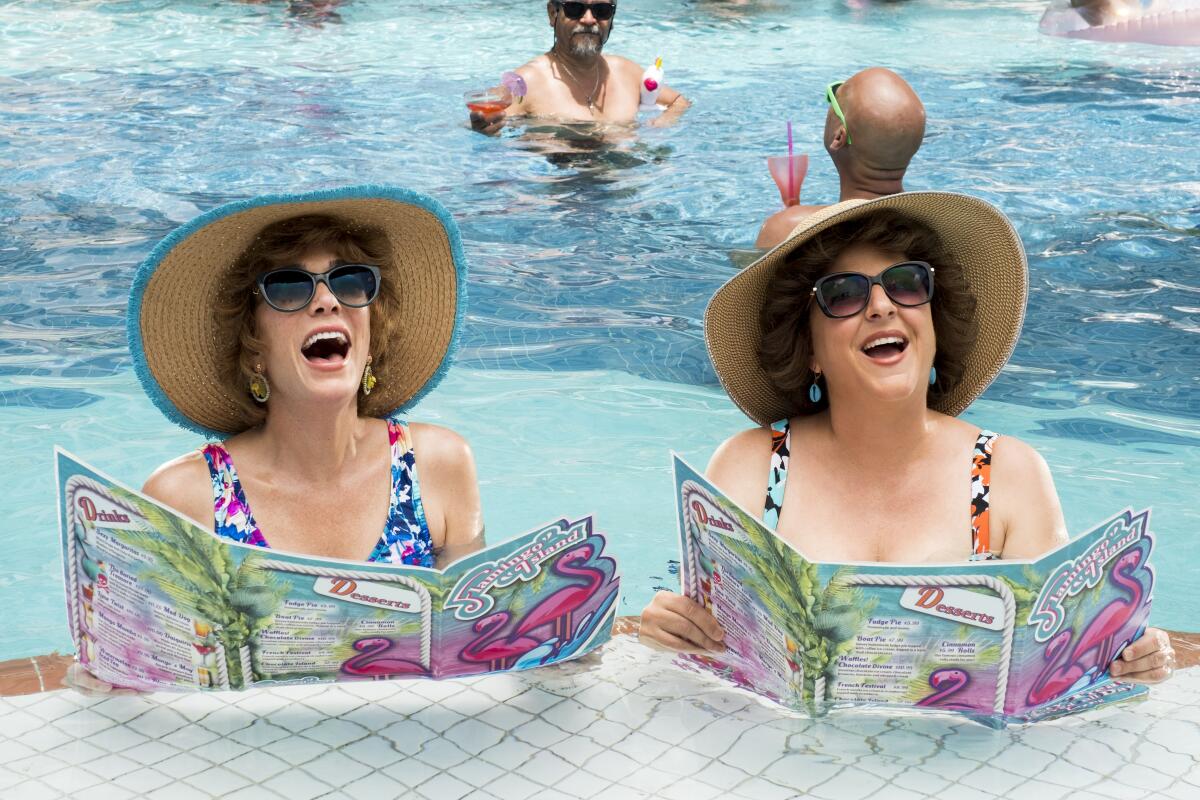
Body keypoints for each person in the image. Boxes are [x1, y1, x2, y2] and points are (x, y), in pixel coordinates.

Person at [642, 191, 1176, 685]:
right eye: (843, 294)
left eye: (905, 284)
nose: (881, 306)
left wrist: (1127, 656)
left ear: (933, 319)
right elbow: (700, 652)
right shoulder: (750, 467)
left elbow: (1057, 662)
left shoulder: (1012, 474)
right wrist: (666, 627)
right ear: (807, 348)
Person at [131, 186, 484, 568]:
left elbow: (476, 622)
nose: (328, 300)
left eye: (349, 281)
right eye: (288, 288)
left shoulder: (439, 466)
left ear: (372, 329)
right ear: (253, 346)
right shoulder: (186, 498)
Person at [755, 68, 925, 250]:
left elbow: (743, 273)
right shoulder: (929, 226)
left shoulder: (786, 231)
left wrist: (790, 219)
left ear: (839, 138)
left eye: (833, 98)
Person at [469, 1, 689, 134]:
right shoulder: (528, 82)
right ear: (553, 14)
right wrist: (484, 127)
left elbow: (680, 102)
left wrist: (663, 123)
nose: (588, 19)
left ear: (612, 19)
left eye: (602, 10)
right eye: (575, 8)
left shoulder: (625, 72)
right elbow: (491, 114)